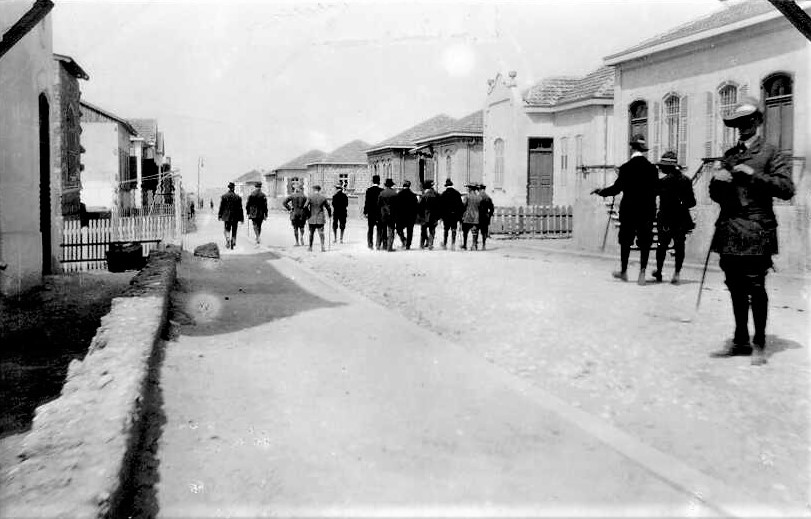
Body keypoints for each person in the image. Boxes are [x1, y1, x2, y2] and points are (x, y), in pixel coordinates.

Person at [708, 97, 795, 365]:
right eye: (737, 123)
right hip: (731, 228)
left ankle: (759, 340)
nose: (742, 127)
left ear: (757, 121)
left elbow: (786, 188)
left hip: (757, 227)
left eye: (747, 121)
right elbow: (717, 196)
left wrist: (752, 176)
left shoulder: (771, 152)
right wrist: (717, 182)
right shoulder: (729, 155)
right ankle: (740, 338)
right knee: (734, 286)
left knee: (756, 285)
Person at [591, 134, 659, 285]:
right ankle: (642, 273)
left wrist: (601, 191)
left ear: (632, 148)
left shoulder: (625, 168)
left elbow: (616, 189)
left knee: (626, 241)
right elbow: (657, 190)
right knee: (645, 242)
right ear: (643, 150)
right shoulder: (652, 169)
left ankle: (624, 272)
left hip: (629, 210)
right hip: (647, 210)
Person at [651, 152, 696, 284]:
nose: (661, 168)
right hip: (681, 219)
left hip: (665, 219)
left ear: (668, 167)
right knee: (679, 246)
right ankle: (676, 273)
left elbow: (652, 194)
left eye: (663, 166)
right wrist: (682, 203)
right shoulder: (686, 180)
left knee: (662, 245)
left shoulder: (663, 182)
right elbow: (692, 202)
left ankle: (659, 272)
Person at [304, 185, 332, 252]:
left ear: (314, 190)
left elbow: (305, 207)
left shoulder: (310, 197)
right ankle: (322, 247)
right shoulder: (323, 198)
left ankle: (310, 247)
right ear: (319, 190)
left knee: (311, 233)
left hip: (312, 218)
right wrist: (330, 215)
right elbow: (328, 208)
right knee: (321, 233)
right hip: (320, 218)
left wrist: (308, 214)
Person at [218, 182, 244, 250]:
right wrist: (242, 218)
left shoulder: (224, 196)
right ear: (234, 188)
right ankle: (233, 240)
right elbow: (240, 209)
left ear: (228, 188)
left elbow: (221, 207)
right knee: (234, 230)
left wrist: (220, 215)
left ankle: (228, 240)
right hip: (235, 217)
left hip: (227, 217)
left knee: (227, 229)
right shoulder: (238, 197)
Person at [439, 178, 464, 250]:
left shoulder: (443, 194)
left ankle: (445, 243)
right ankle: (453, 244)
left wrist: (441, 216)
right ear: (452, 185)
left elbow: (441, 206)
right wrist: (460, 216)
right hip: (454, 215)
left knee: (446, 229)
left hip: (446, 216)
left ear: (446, 186)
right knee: (454, 229)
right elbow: (460, 206)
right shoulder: (457, 193)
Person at [418, 180, 441, 250]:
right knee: (432, 230)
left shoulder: (424, 196)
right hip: (433, 215)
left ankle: (422, 244)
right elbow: (439, 206)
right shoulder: (436, 194)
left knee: (423, 230)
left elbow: (419, 206)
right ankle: (430, 244)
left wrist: (420, 215)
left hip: (425, 216)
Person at [396, 180, 418, 250]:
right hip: (411, 216)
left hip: (401, 216)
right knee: (410, 230)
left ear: (403, 186)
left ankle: (403, 240)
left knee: (399, 229)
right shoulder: (413, 195)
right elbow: (416, 206)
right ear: (409, 186)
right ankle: (408, 245)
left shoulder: (399, 194)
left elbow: (396, 206)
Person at [377, 178, 399, 251]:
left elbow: (378, 204)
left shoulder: (382, 193)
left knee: (383, 229)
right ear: (391, 185)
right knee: (391, 230)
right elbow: (397, 205)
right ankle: (389, 247)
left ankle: (383, 245)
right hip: (392, 214)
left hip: (383, 214)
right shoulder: (395, 193)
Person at [363, 174, 384, 250]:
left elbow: (367, 202)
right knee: (379, 229)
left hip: (371, 213)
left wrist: (365, 212)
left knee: (370, 229)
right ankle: (378, 244)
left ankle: (370, 244)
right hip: (379, 213)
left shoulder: (369, 190)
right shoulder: (381, 191)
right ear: (379, 181)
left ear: (372, 181)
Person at [245, 181, 268, 246]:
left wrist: (248, 212)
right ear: (260, 187)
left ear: (255, 187)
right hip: (261, 212)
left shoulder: (251, 194)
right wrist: (266, 214)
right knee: (259, 225)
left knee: (255, 225)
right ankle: (258, 237)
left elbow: (248, 204)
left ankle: (257, 237)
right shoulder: (263, 195)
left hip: (253, 212)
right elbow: (265, 206)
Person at [461, 183, 481, 250]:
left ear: (470, 189)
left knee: (465, 232)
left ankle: (464, 245)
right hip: (476, 217)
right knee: (475, 232)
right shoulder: (479, 197)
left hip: (468, 216)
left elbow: (463, 206)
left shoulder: (467, 196)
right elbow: (480, 207)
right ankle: (474, 245)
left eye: (468, 188)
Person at [478, 183, 494, 250]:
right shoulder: (488, 197)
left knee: (476, 230)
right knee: (484, 231)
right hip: (485, 216)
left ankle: (475, 245)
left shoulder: (478, 197)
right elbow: (492, 208)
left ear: (480, 189)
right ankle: (484, 245)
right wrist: (489, 215)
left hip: (478, 216)